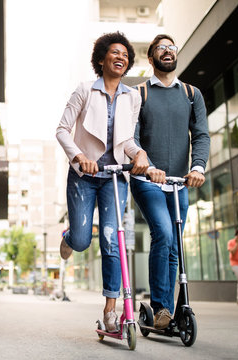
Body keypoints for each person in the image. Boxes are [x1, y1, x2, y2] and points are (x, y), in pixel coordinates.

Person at [56, 32, 149, 332]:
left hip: (114, 179)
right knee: (84, 240)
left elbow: (129, 141)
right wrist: (80, 155)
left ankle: (111, 310)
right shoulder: (84, 90)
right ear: (101, 59)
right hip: (84, 177)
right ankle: (70, 237)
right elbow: (61, 130)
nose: (120, 57)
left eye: (125, 54)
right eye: (114, 52)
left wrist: (141, 154)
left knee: (112, 242)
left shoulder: (132, 97)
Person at [130, 34, 210, 329]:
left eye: (171, 47)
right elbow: (132, 135)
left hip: (179, 182)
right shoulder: (139, 93)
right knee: (163, 233)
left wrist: (198, 166)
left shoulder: (191, 94)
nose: (167, 51)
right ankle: (161, 307)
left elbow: (201, 135)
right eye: (161, 48)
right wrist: (147, 165)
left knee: (175, 243)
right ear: (150, 59)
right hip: (148, 180)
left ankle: (172, 310)